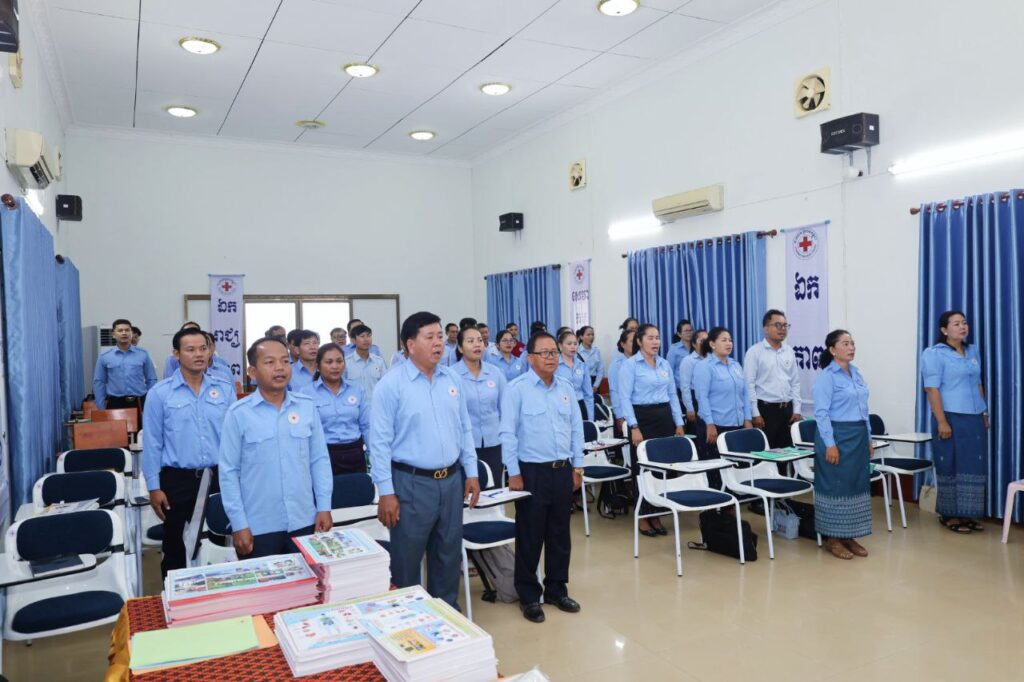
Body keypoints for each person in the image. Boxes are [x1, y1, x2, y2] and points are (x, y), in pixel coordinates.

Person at [369, 311, 480, 609]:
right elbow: (378, 444)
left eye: (440, 336)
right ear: (410, 344)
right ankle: (407, 619)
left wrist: (471, 472)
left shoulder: (451, 379)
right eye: (429, 337)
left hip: (451, 481)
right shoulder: (390, 385)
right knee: (406, 559)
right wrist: (386, 492)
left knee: (448, 555)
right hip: (411, 483)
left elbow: (465, 429)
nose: (438, 343)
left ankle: (446, 615)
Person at [218, 337, 332, 558]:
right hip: (258, 526)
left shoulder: (306, 407)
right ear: (252, 372)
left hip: (304, 520)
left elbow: (319, 460)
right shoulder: (238, 414)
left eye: (285, 361)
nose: (279, 368)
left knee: (309, 579)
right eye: (270, 362)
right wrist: (238, 523)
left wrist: (324, 506)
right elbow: (229, 472)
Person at [500, 331, 584, 623]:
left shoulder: (566, 388)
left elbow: (576, 429)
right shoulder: (517, 389)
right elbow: (508, 434)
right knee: (530, 535)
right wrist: (514, 472)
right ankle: (528, 595)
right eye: (544, 353)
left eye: (554, 353)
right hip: (531, 472)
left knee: (560, 534)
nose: (551, 358)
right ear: (530, 358)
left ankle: (556, 590)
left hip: (562, 470)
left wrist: (578, 467)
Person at [143, 328, 236, 577]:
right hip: (178, 480)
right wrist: (153, 487)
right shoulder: (160, 394)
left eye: (203, 348)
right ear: (176, 354)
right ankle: (174, 594)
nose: (199, 354)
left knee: (220, 541)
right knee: (175, 545)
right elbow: (152, 443)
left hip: (218, 478)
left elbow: (235, 438)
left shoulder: (224, 389)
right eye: (191, 349)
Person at [921, 310, 989, 534]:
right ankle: (949, 514)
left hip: (974, 416)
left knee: (972, 465)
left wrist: (984, 412)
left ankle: (967, 514)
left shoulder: (972, 350)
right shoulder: (934, 354)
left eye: (964, 323)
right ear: (944, 330)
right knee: (950, 464)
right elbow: (932, 389)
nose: (962, 327)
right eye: (956, 323)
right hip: (949, 416)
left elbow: (978, 383)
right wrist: (941, 421)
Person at [619, 324, 685, 536]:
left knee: (662, 468)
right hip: (642, 419)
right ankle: (643, 517)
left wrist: (679, 423)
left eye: (657, 337)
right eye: (650, 338)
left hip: (664, 418)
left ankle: (657, 513)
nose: (656, 341)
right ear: (639, 341)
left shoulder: (664, 364)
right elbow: (624, 399)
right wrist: (634, 426)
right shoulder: (630, 365)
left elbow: (673, 395)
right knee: (643, 469)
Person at [813, 329, 873, 559]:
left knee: (854, 485)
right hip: (836, 437)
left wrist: (868, 438)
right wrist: (830, 444)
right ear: (832, 349)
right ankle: (833, 538)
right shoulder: (827, 377)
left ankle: (849, 535)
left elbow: (864, 411)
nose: (851, 347)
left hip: (858, 437)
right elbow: (821, 414)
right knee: (835, 486)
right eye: (845, 343)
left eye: (852, 343)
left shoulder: (856, 374)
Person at [692, 327, 752, 487]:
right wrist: (709, 424)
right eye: (724, 340)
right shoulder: (704, 366)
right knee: (716, 473)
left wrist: (747, 418)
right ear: (712, 344)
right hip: (715, 426)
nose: (729, 343)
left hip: (736, 425)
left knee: (736, 469)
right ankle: (716, 501)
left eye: (730, 340)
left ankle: (735, 499)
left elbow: (745, 394)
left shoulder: (735, 365)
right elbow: (702, 398)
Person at [302, 343, 370, 474]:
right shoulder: (306, 393)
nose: (335, 366)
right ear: (318, 366)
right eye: (329, 362)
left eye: (339, 361)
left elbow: (367, 426)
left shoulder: (356, 389)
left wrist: (373, 453)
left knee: (357, 486)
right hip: (323, 454)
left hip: (354, 453)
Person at [452, 326, 507, 481]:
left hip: (494, 443)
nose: (477, 344)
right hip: (464, 445)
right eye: (470, 341)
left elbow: (506, 410)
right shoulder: (451, 375)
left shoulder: (495, 373)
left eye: (480, 341)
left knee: (494, 487)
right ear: (460, 348)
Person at [744, 310, 801, 448]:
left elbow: (795, 382)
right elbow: (748, 385)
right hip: (766, 411)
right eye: (778, 325)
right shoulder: (755, 352)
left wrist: (797, 409)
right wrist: (755, 413)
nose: (783, 329)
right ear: (766, 329)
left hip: (787, 410)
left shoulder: (789, 351)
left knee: (787, 452)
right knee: (766, 452)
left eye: (785, 325)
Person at [94, 318, 158, 410]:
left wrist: (150, 401)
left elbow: (151, 379)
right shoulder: (105, 356)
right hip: (115, 403)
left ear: (131, 333)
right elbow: (99, 381)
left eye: (127, 330)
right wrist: (101, 406)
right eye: (120, 330)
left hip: (139, 402)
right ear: (113, 334)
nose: (124, 333)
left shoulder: (143, 354)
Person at [555, 330, 594, 421]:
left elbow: (588, 394)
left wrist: (591, 418)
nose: (573, 346)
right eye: (569, 344)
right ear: (560, 346)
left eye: (575, 344)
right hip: (560, 405)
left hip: (579, 405)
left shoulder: (582, 365)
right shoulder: (554, 365)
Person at [678, 329, 708, 441]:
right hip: (695, 400)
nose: (705, 343)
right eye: (702, 340)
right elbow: (685, 387)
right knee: (698, 434)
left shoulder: (711, 359)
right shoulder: (688, 360)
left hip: (708, 399)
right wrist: (689, 408)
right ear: (694, 344)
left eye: (707, 340)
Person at [345, 324, 387, 400]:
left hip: (375, 404)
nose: (366, 339)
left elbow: (385, 385)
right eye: (362, 336)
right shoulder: (346, 363)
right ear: (353, 340)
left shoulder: (379, 361)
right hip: (354, 404)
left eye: (369, 336)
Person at [607, 328, 636, 430]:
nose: (636, 344)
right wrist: (619, 416)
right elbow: (614, 391)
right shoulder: (617, 365)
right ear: (623, 344)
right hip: (626, 411)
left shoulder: (643, 362)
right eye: (632, 341)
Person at [576, 326, 604, 392]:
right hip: (581, 382)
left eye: (592, 335)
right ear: (581, 337)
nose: (591, 337)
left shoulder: (596, 351)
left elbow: (600, 370)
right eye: (588, 335)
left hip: (594, 382)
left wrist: (596, 385)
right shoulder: (577, 351)